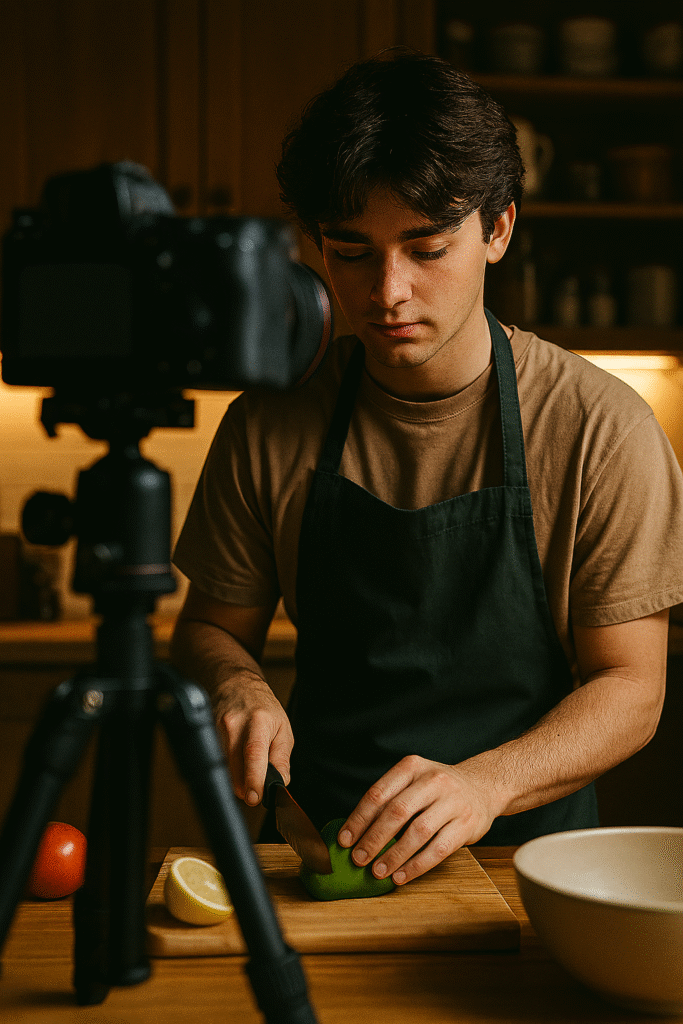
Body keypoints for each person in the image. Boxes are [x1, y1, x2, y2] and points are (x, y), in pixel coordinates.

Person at [171, 50, 683, 887]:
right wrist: (236, 685)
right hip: (324, 855)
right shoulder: (270, 421)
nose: (388, 292)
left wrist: (486, 784)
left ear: (498, 230)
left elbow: (632, 688)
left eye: (426, 247)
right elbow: (210, 629)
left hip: (529, 862)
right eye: (351, 251)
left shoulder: (600, 427)